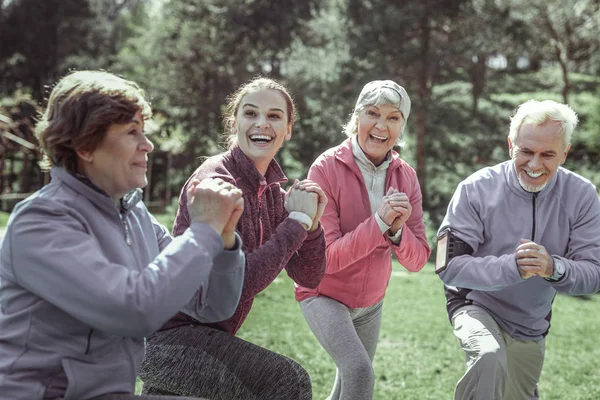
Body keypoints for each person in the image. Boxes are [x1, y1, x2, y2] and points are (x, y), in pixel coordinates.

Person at [0, 70, 246, 400]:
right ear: (84, 145)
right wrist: (202, 231)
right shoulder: (41, 222)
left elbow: (211, 305)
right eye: (132, 132)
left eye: (144, 131)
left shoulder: (134, 215)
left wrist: (224, 240)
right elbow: (134, 312)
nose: (148, 145)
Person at [139, 77, 327, 400]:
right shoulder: (217, 183)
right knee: (288, 382)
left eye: (274, 116)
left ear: (288, 129)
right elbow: (236, 286)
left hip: (202, 341)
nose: (261, 123)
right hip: (169, 340)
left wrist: (311, 228)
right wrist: (297, 221)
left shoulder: (271, 195)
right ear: (235, 121)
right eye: (251, 113)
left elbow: (309, 275)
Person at [436, 99, 600, 400]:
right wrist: (513, 267)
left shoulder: (583, 196)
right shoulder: (475, 189)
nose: (535, 165)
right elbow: (448, 266)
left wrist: (554, 268)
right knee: (488, 357)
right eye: (526, 151)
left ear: (565, 153)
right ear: (511, 144)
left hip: (531, 323)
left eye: (547, 154)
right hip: (475, 303)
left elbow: (595, 273)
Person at [294, 80, 431, 400]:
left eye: (393, 117)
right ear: (357, 117)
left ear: (402, 125)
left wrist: (397, 232)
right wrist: (380, 222)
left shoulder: (406, 175)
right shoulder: (326, 168)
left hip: (371, 303)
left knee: (346, 386)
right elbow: (326, 258)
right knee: (359, 372)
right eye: (373, 113)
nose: (381, 126)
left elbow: (419, 259)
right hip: (323, 294)